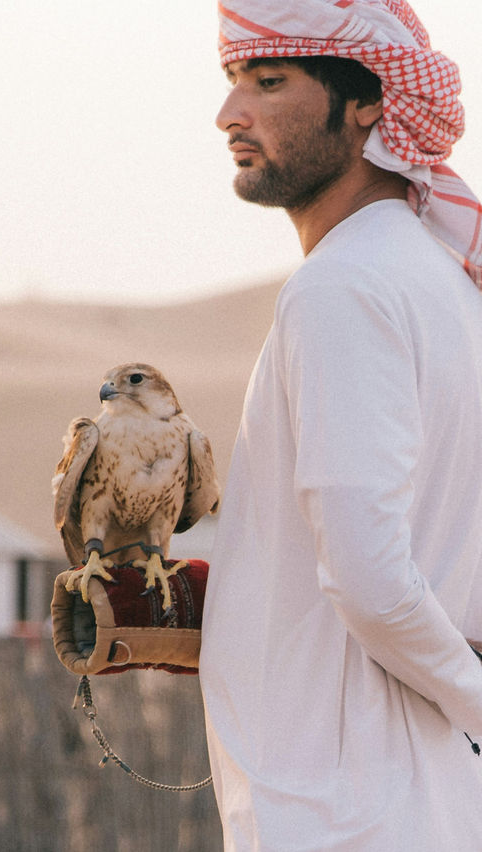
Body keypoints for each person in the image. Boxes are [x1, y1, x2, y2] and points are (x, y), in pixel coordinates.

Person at [199, 1, 482, 849]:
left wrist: (473, 697)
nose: (229, 115)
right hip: (417, 794)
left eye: (270, 81)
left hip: (344, 808)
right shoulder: (439, 284)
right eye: (232, 82)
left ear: (367, 102)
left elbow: (368, 575)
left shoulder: (344, 288)